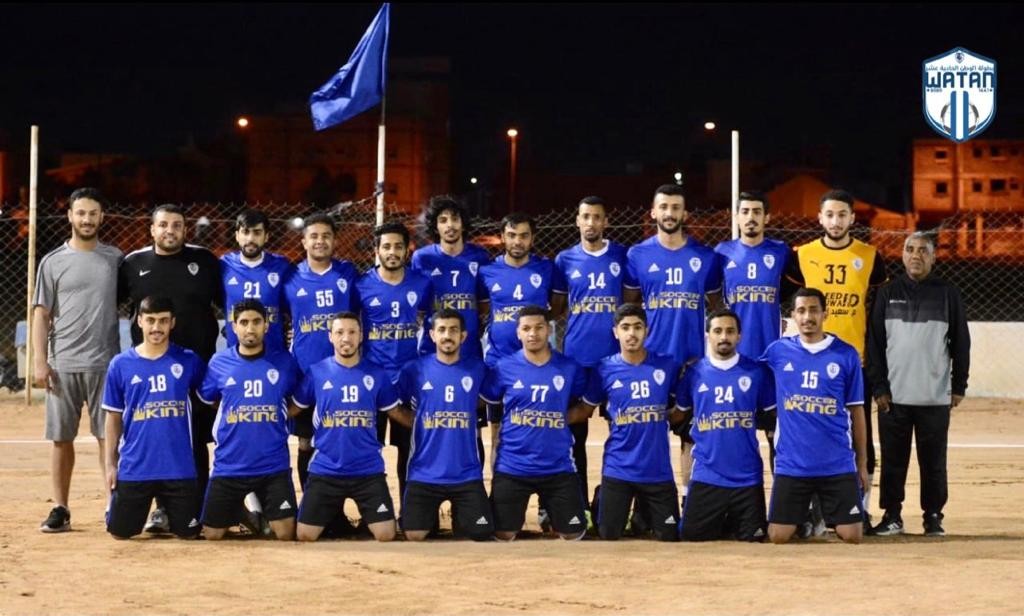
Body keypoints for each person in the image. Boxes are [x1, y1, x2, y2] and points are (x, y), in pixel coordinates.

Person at [118, 203, 223, 532]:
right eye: (163, 225)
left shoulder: (205, 261)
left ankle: (198, 506)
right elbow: (115, 306)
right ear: (152, 229)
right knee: (154, 436)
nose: (170, 231)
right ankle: (159, 508)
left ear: (185, 230)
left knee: (195, 439)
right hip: (149, 372)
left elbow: (228, 305)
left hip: (196, 371)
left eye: (177, 225)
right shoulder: (133, 264)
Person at [785, 189, 886, 529]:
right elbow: (790, 304)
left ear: (852, 218)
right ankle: (813, 512)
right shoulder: (802, 256)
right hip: (810, 361)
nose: (836, 221)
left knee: (860, 432)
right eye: (830, 214)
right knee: (812, 432)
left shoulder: (869, 256)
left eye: (842, 214)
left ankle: (861, 508)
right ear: (820, 218)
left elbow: (877, 310)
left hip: (854, 361)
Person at [624, 184, 723, 507]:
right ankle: (645, 508)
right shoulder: (637, 255)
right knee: (647, 437)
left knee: (691, 438)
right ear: (653, 212)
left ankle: (689, 502)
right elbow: (629, 307)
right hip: (650, 363)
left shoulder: (705, 257)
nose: (669, 213)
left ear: (685, 213)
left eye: (676, 207)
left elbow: (717, 308)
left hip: (691, 363)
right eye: (664, 207)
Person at [867, 232, 970, 537]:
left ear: (934, 257)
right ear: (902, 255)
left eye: (923, 250)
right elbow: (874, 345)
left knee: (934, 462)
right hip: (893, 398)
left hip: (934, 397)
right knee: (893, 461)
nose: (916, 255)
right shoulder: (887, 293)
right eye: (910, 249)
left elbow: (961, 342)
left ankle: (933, 517)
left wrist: (959, 385)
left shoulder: (948, 294)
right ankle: (892, 516)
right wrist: (879, 388)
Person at [33, 187, 123, 533]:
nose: (87, 219)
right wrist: (40, 361)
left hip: (105, 363)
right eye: (81, 213)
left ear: (102, 217)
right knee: (61, 438)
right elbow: (41, 314)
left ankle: (113, 504)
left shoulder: (115, 259)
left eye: (93, 213)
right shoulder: (52, 262)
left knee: (107, 438)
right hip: (63, 364)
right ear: (70, 216)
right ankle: (60, 507)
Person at [760, 288, 868, 544]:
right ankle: (808, 514)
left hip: (836, 462)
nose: (807, 317)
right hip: (793, 463)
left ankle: (819, 511)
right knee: (778, 536)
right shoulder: (777, 351)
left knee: (852, 535)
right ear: (792, 316)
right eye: (801, 311)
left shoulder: (846, 354)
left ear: (825, 314)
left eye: (813, 310)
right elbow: (750, 373)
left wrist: (862, 464)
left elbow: (857, 411)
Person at [290, 311, 405, 542]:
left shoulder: (376, 373)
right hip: (326, 470)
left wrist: (427, 420)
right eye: (340, 332)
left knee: (386, 534)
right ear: (330, 336)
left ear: (361, 336)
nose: (346, 338)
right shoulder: (316, 372)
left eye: (352, 332)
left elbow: (397, 413)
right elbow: (294, 408)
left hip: (367, 470)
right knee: (304, 534)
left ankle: (368, 518)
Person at [479, 305, 589, 541]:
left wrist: (561, 417)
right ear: (518, 333)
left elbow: (585, 405)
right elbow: (489, 401)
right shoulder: (503, 368)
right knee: (503, 534)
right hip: (513, 467)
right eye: (526, 328)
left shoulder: (569, 368)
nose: (533, 334)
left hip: (558, 467)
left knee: (573, 535)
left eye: (539, 327)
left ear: (549, 330)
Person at [196, 299, 301, 541]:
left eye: (256, 322)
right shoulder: (219, 363)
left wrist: (278, 413)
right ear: (234, 327)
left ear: (266, 325)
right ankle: (243, 512)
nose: (250, 328)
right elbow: (209, 398)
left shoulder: (284, 362)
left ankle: (262, 513)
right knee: (212, 535)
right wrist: (238, 408)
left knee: (286, 533)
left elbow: (298, 399)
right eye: (243, 323)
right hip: (230, 465)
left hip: (272, 466)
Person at [554, 196, 634, 510]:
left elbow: (630, 301)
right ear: (577, 220)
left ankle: (614, 503)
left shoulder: (622, 256)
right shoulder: (564, 260)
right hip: (578, 360)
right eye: (585, 216)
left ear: (605, 222)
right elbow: (558, 308)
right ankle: (579, 506)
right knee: (575, 436)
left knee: (622, 433)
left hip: (615, 362)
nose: (591, 223)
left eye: (597, 217)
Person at [102, 296, 205, 539]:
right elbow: (113, 417)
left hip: (179, 469)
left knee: (189, 534)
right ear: (139, 321)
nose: (156, 327)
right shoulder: (120, 365)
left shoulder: (189, 360)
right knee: (120, 533)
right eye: (150, 320)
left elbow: (213, 397)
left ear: (172, 323)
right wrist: (110, 465)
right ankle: (118, 509)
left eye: (163, 321)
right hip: (135, 467)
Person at [583, 304, 681, 541]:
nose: (631, 333)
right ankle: (603, 495)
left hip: (657, 470)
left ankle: (641, 514)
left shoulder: (667, 366)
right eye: (625, 327)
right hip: (619, 467)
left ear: (647, 330)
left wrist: (661, 419)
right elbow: (585, 409)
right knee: (608, 534)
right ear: (616, 332)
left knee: (669, 536)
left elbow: (680, 409)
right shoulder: (604, 369)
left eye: (637, 327)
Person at [676, 309, 775, 542]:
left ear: (739, 335)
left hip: (747, 477)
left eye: (730, 331)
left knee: (754, 539)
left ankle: (729, 519)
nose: (724, 337)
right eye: (718, 331)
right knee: (690, 537)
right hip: (707, 475)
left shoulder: (757, 372)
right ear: (707, 335)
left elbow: (773, 417)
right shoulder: (693, 374)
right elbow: (679, 415)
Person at [396, 309, 493, 541]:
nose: (447, 335)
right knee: (414, 535)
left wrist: (463, 405)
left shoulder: (478, 369)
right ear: (432, 335)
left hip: (466, 474)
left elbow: (487, 398)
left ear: (463, 336)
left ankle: (460, 513)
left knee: (480, 533)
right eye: (441, 330)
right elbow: (395, 404)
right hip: (424, 474)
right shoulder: (414, 370)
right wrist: (417, 422)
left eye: (453, 330)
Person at [715, 191, 792, 472]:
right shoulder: (722, 253)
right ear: (736, 217)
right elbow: (713, 301)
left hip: (770, 360)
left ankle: (780, 497)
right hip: (736, 360)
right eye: (745, 212)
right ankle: (739, 496)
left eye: (757, 212)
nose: (751, 217)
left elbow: (796, 293)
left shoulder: (781, 252)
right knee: (737, 433)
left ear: (766, 217)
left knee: (776, 435)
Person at [283, 212, 360, 490]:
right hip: (305, 373)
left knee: (341, 437)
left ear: (335, 240)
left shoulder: (348, 274)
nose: (320, 241)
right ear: (303, 241)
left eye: (326, 236)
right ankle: (310, 502)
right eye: (313, 236)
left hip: (344, 373)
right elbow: (279, 315)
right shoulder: (290, 278)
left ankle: (337, 502)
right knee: (305, 442)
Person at [355, 222, 432, 498]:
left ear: (407, 250)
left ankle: (409, 510)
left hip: (408, 381)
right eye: (386, 246)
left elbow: (429, 320)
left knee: (408, 450)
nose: (392, 252)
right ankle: (374, 510)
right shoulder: (361, 285)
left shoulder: (421, 283)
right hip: (373, 381)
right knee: (368, 451)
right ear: (376, 250)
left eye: (398, 246)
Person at [477, 213, 568, 369]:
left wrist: (539, 321)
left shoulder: (547, 268)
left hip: (537, 358)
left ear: (532, 238)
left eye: (524, 236)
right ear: (503, 237)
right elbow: (482, 308)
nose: (517, 242)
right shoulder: (487, 271)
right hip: (498, 359)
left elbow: (558, 305)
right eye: (512, 235)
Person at [411, 195, 491, 360]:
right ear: (435, 227)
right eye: (443, 220)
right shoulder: (422, 258)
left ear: (463, 224)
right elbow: (418, 307)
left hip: (469, 349)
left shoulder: (480, 256)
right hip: (432, 349)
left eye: (455, 219)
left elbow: (484, 304)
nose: (450, 225)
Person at [221, 209, 293, 354]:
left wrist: (293, 328)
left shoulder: (282, 266)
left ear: (266, 236)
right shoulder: (223, 265)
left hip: (274, 354)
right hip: (236, 355)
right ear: (237, 235)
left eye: (257, 232)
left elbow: (295, 304)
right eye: (245, 232)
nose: (250, 239)